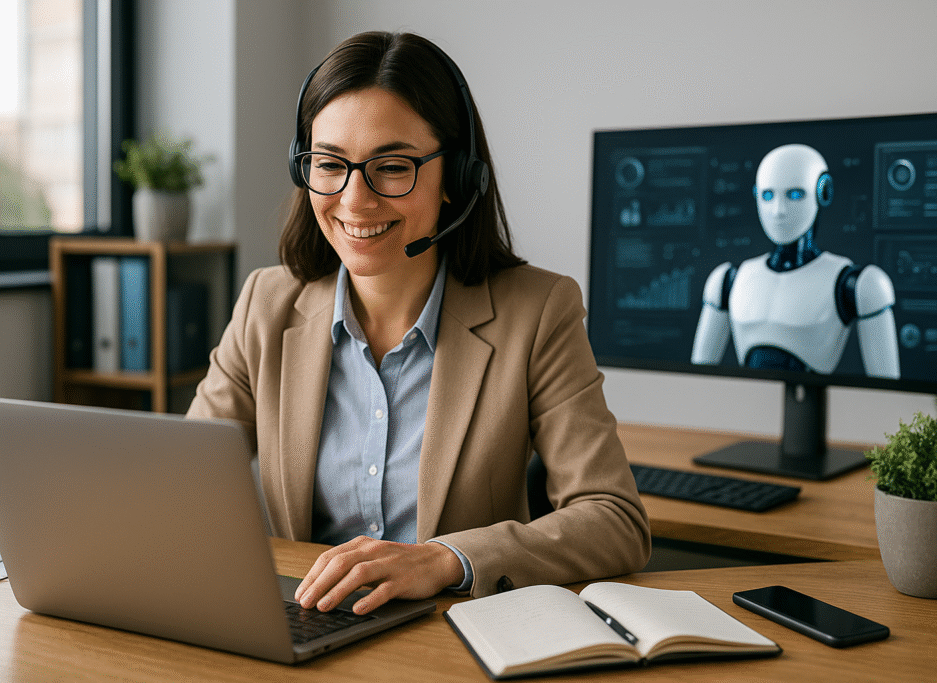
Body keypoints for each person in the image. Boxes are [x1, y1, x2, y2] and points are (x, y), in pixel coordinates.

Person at [187, 31, 651, 617]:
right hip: (311, 626)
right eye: (330, 165)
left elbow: (615, 520)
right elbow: (186, 480)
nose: (354, 200)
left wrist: (443, 559)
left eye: (392, 167)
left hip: (456, 638)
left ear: (456, 176)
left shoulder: (538, 312)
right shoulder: (266, 302)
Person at [691, 143, 900, 379]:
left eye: (795, 194)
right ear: (756, 196)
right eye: (767, 195)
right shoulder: (727, 281)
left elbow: (887, 384)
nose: (778, 211)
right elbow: (697, 378)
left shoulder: (856, 285)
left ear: (824, 192)